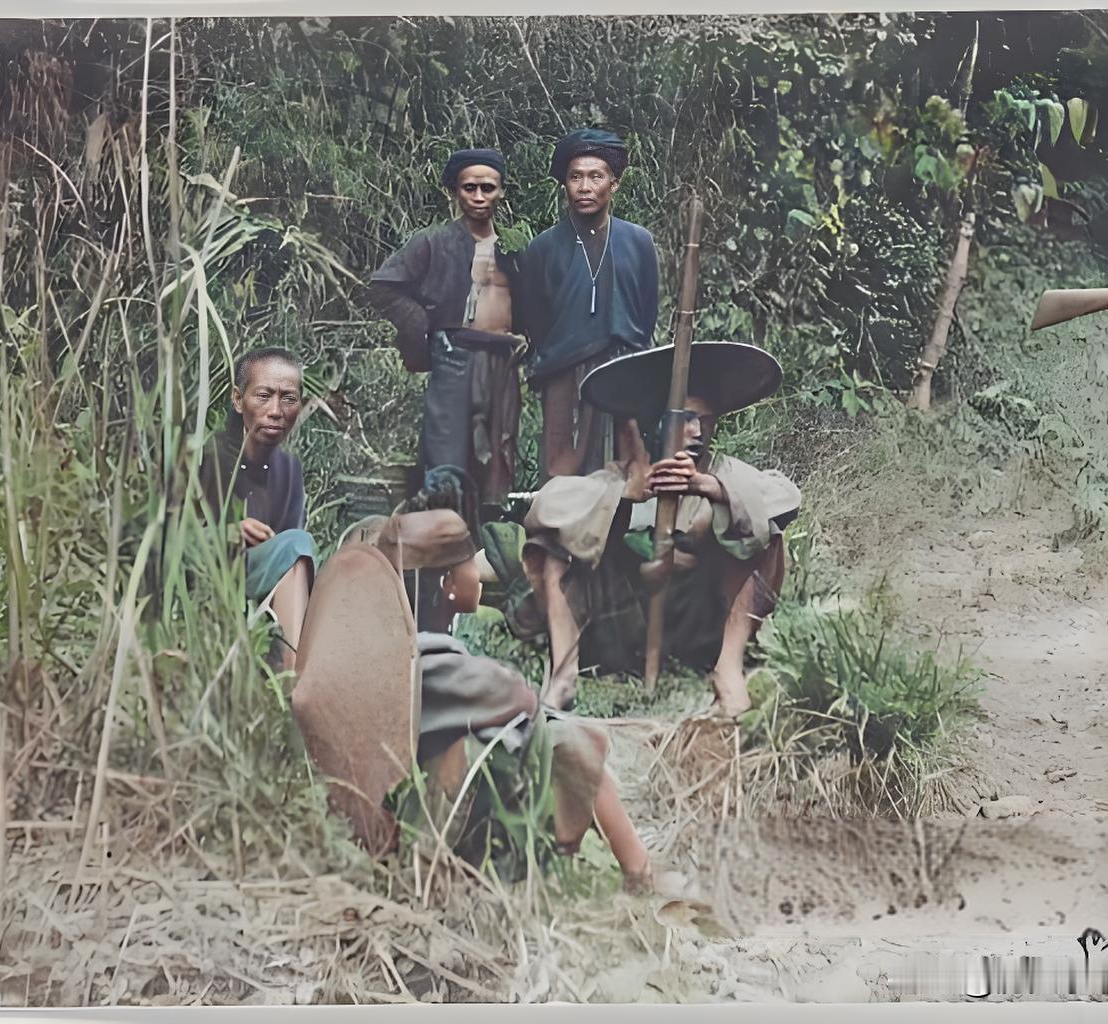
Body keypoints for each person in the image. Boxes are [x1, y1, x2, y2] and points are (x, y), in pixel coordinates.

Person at [291, 506, 653, 891]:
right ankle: (640, 872)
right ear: (449, 582)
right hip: (428, 832)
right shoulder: (431, 659)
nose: (477, 571)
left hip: (412, 814)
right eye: (468, 562)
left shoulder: (395, 651)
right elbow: (518, 700)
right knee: (572, 741)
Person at [503, 342, 800, 715]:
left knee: (766, 530)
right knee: (555, 539)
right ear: (658, 422)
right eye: (684, 418)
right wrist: (624, 499)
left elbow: (786, 498)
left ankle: (728, 668)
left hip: (698, 625)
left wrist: (710, 490)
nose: (695, 431)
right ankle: (563, 674)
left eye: (704, 420)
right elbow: (550, 504)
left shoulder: (722, 471)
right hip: (623, 626)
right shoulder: (623, 476)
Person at [367, 148, 524, 506]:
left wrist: (527, 337)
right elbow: (381, 287)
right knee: (446, 456)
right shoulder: (433, 241)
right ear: (455, 191)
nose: (479, 196)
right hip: (454, 355)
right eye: (470, 188)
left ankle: (487, 546)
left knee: (498, 461)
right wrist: (420, 327)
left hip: (502, 362)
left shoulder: (514, 247)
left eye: (488, 187)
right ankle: (439, 544)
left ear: (501, 190)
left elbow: (532, 302)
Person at [520, 129, 659, 479]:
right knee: (563, 473)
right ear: (564, 184)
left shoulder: (639, 242)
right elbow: (533, 319)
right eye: (575, 177)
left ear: (613, 184)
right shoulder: (543, 248)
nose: (584, 187)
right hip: (563, 372)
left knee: (625, 469)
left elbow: (646, 312)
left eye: (595, 176)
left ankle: (620, 529)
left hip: (623, 369)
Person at [201, 346, 315, 671]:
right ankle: (289, 680)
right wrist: (229, 532)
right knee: (297, 544)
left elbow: (290, 554)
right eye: (264, 396)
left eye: (289, 399)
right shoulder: (206, 457)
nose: (276, 410)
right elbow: (165, 542)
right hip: (210, 585)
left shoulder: (290, 470)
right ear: (238, 400)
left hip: (261, 599)